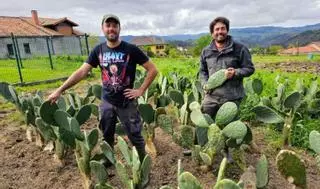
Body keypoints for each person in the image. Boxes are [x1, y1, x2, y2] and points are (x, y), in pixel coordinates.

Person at [48, 14, 158, 163]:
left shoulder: (130, 49)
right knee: (106, 133)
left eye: (115, 25)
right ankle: (108, 159)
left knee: (135, 135)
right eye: (108, 25)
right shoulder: (98, 50)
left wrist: (140, 90)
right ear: (103, 28)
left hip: (127, 102)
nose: (111, 28)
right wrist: (60, 90)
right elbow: (81, 72)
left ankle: (144, 164)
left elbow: (152, 70)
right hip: (107, 102)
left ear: (119, 28)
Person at [199, 16, 255, 118]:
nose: (220, 32)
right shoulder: (206, 51)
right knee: (205, 125)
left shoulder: (239, 48)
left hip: (231, 97)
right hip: (210, 97)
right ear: (212, 33)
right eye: (217, 29)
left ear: (227, 30)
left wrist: (235, 73)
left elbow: (250, 69)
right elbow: (202, 71)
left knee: (228, 129)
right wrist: (204, 84)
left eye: (223, 28)